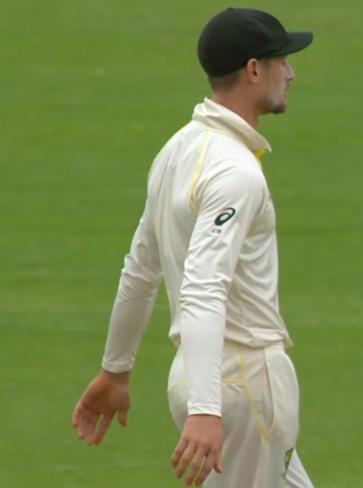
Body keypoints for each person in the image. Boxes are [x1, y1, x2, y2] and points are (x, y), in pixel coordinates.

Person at [72, 8, 315, 488]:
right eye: (282, 60)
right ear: (253, 70)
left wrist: (116, 371)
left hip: (201, 375)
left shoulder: (176, 151)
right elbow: (204, 287)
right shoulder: (236, 174)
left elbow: (140, 271)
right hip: (240, 381)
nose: (291, 72)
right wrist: (207, 411)